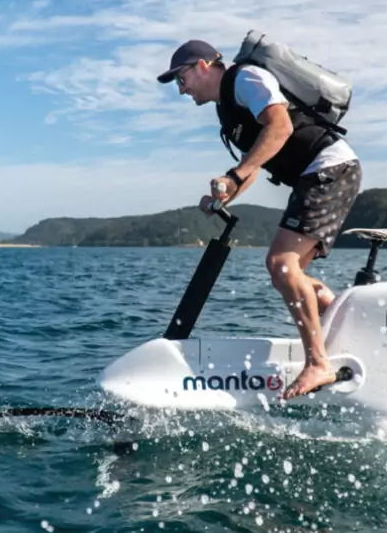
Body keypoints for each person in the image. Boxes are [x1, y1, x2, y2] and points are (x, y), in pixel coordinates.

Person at [156, 39, 363, 401]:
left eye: (181, 77)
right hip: (318, 173)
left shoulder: (245, 79)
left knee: (282, 266)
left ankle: (318, 363)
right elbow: (259, 160)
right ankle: (351, 325)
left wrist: (235, 175)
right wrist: (227, 191)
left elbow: (280, 127)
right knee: (287, 272)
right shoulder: (227, 110)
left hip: (331, 167)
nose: (181, 89)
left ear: (203, 66)